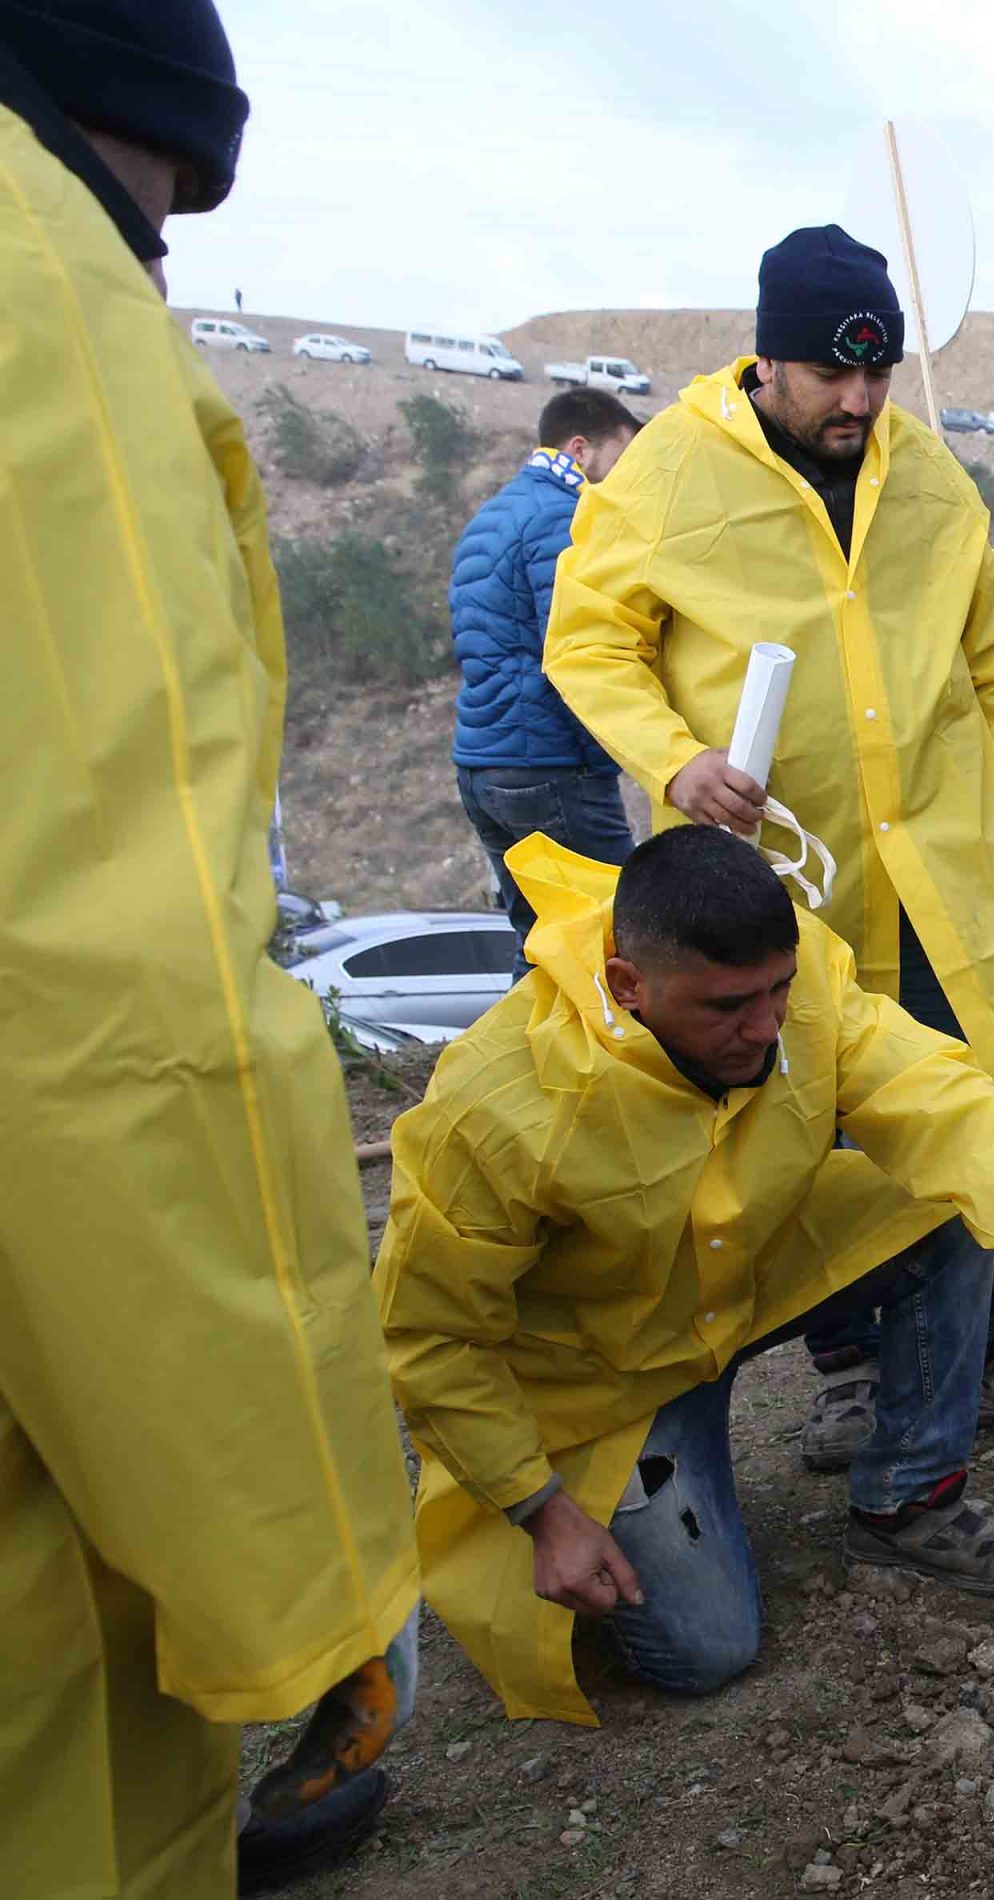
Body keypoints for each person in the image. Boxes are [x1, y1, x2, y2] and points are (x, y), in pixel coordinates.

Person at [0, 5, 421, 1892]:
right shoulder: (45, 314)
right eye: (159, 219)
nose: (148, 269)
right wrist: (313, 1548)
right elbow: (122, 1006)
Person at [375, 827, 994, 1722]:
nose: (765, 1029)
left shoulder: (802, 995)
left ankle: (907, 1500)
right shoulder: (499, 1105)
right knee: (705, 1652)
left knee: (954, 1197)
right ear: (626, 987)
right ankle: (629, 1488)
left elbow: (941, 1102)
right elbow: (435, 1333)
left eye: (778, 991)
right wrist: (541, 1512)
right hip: (605, 1381)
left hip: (742, 1286)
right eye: (726, 1006)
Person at [547, 225, 994, 1469]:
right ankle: (851, 1370)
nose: (858, 401)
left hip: (940, 870)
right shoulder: (668, 474)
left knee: (975, 1094)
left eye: (878, 374)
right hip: (784, 883)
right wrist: (674, 760)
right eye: (830, 377)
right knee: (813, 1124)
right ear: (768, 360)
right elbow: (587, 645)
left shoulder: (927, 474)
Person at [451, 386, 642, 960]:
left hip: (483, 765)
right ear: (580, 450)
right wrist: (602, 756)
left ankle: (521, 1053)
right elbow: (572, 647)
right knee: (624, 935)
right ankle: (609, 1055)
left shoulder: (494, 515)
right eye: (622, 457)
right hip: (551, 764)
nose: (625, 475)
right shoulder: (564, 515)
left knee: (541, 945)